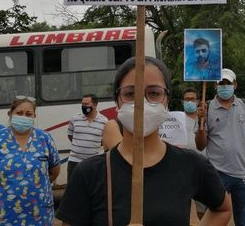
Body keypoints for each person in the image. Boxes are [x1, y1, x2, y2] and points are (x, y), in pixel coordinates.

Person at [57, 56, 231, 225]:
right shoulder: (88, 173)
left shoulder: (192, 164)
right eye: (131, 93)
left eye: (154, 93)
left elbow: (222, 209)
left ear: (167, 100)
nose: (141, 102)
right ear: (117, 101)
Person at [0, 96, 61, 225]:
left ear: (34, 116)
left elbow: (54, 172)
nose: (24, 117)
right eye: (19, 113)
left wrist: (35, 186)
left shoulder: (45, 139)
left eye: (28, 114)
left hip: (37, 216)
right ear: (10, 114)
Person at [196, 68, 245, 226]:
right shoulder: (207, 108)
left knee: (243, 222)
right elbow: (200, 145)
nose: (224, 86)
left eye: (228, 83)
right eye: (221, 83)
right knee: (216, 219)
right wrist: (200, 122)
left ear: (235, 85)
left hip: (244, 176)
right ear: (215, 86)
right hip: (217, 174)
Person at [67, 93, 108, 182]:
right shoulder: (75, 118)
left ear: (95, 105)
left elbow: (104, 140)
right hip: (74, 161)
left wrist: (92, 144)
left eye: (86, 104)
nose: (83, 106)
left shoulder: (104, 121)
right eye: (82, 104)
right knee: (73, 190)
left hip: (94, 162)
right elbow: (70, 135)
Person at [181, 87, 208, 221]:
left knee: (202, 209)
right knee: (181, 208)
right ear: (182, 102)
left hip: (201, 170)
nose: (190, 102)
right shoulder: (177, 120)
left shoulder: (204, 120)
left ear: (198, 101)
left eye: (192, 99)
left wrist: (202, 119)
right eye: (187, 99)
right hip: (181, 171)